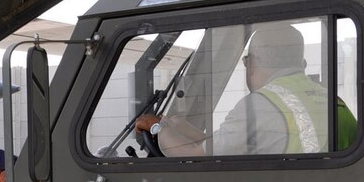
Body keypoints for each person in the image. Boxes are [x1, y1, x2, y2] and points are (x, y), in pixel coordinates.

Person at [137, 24, 351, 155]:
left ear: (252, 62)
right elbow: (229, 146)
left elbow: (192, 155)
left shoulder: (262, 106)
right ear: (301, 64)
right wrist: (179, 126)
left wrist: (156, 128)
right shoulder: (331, 99)